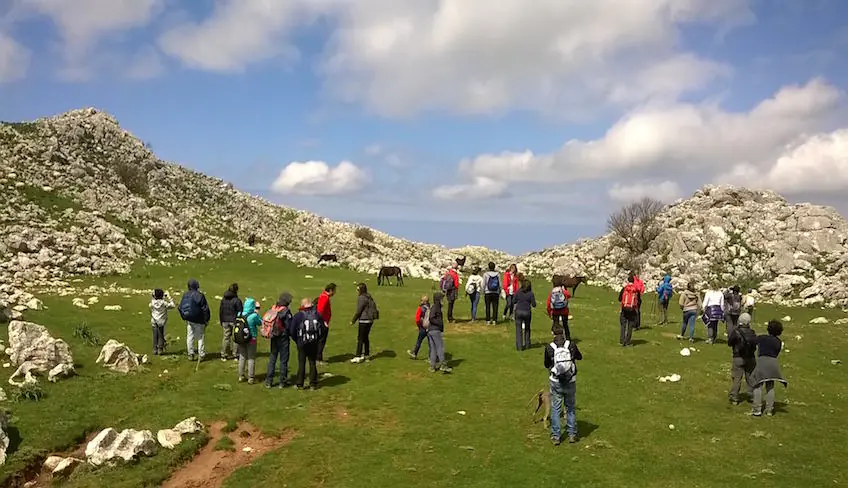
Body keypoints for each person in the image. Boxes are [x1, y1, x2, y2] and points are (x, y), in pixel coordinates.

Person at [544, 328, 583, 445]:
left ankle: (556, 436)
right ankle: (572, 434)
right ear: (563, 333)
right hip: (570, 380)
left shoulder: (549, 347)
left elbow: (546, 364)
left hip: (556, 381)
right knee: (570, 407)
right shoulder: (571, 345)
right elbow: (580, 357)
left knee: (556, 408)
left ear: (552, 333)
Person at [750, 320, 788, 417]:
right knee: (770, 386)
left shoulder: (763, 338)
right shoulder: (779, 342)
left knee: (757, 385)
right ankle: (769, 410)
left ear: (768, 329)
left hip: (762, 361)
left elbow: (752, 341)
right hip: (773, 363)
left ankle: (757, 410)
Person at [287, 297, 327, 390]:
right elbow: (323, 328)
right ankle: (313, 384)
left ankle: (300, 384)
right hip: (314, 342)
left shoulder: (298, 316)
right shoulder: (317, 314)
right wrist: (318, 339)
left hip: (302, 342)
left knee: (302, 363)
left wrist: (296, 340)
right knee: (312, 362)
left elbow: (292, 330)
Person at [727, 312, 757, 405]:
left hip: (738, 357)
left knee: (737, 378)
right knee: (751, 377)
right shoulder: (752, 332)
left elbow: (730, 343)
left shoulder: (736, 332)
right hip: (751, 357)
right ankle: (752, 395)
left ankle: (734, 397)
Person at [265, 293, 293, 389]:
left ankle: (269, 381)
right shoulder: (286, 311)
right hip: (283, 337)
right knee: (283, 360)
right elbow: (289, 326)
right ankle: (282, 381)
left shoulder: (274, 308)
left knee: (272, 358)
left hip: (273, 336)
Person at [178, 278, 211, 361]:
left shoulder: (185, 295)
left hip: (189, 319)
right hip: (199, 319)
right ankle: (201, 354)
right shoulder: (200, 295)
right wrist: (206, 319)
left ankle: (190, 353)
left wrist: (184, 316)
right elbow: (205, 309)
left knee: (190, 336)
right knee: (200, 337)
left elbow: (180, 307)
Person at [350, 283, 378, 364]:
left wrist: (353, 320)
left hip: (364, 320)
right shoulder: (368, 296)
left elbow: (359, 311)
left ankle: (358, 356)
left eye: (358, 289)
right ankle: (366, 354)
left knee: (360, 338)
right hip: (370, 320)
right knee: (365, 338)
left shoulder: (361, 298)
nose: (357, 291)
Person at [237, 298, 261, 384]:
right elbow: (260, 323)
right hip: (252, 339)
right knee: (251, 358)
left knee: (242, 357)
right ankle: (251, 377)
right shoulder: (253, 316)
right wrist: (257, 313)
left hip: (241, 338)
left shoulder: (239, 314)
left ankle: (241, 376)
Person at [427, 292, 452, 373]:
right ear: (438, 299)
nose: (443, 300)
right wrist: (439, 323)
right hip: (435, 331)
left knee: (433, 349)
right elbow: (431, 318)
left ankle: (432, 366)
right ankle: (443, 365)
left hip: (431, 330)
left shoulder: (435, 306)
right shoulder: (436, 307)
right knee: (440, 348)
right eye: (441, 298)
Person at [219, 283, 243, 361]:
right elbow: (240, 311)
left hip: (225, 320)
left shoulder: (223, 299)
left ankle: (224, 354)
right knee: (236, 337)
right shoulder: (237, 300)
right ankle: (235, 355)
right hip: (234, 320)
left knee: (226, 337)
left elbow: (221, 311)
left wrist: (221, 320)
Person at [618, 275, 641, 347]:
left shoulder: (625, 288)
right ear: (633, 281)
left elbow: (619, 298)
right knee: (630, 326)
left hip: (624, 309)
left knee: (623, 325)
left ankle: (622, 341)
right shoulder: (636, 290)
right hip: (632, 310)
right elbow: (639, 301)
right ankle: (627, 341)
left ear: (628, 280)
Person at [149, 288, 174, 355]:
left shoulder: (152, 302)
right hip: (161, 321)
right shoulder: (163, 303)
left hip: (154, 320)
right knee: (161, 335)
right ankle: (160, 349)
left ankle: (154, 349)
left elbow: (151, 303)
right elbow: (172, 305)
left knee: (155, 335)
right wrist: (169, 297)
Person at [547, 275, 572, 340]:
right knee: (565, 324)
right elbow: (569, 295)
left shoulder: (552, 292)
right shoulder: (562, 291)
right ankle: (568, 337)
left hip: (555, 311)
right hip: (564, 310)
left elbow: (548, 303)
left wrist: (549, 313)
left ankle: (557, 338)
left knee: (556, 324)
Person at [513, 279, 536, 351]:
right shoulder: (531, 293)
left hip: (519, 311)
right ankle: (527, 344)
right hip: (527, 312)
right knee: (527, 328)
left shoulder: (518, 292)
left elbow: (514, 301)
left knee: (518, 329)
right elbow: (534, 304)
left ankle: (519, 346)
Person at [316, 283, 336, 365]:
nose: (335, 293)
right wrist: (323, 322)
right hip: (322, 323)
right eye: (334, 291)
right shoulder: (324, 297)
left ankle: (317, 358)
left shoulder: (324, 296)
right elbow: (320, 311)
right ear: (330, 290)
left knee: (320, 341)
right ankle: (318, 359)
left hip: (323, 322)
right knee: (321, 341)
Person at [407, 295, 430, 359]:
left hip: (422, 327)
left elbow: (417, 319)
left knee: (419, 341)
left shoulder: (420, 308)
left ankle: (414, 353)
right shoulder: (429, 307)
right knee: (430, 342)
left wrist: (419, 326)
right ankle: (432, 356)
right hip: (429, 327)